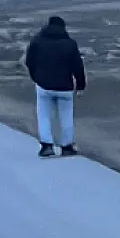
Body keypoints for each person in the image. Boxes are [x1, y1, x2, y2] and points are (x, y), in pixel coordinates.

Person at [24, 16, 86, 158]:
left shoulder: (37, 41)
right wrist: (80, 85)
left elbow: (29, 61)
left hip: (44, 85)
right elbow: (78, 66)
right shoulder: (70, 43)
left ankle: (47, 146)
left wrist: (36, 77)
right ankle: (67, 146)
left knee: (44, 115)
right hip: (65, 86)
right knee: (66, 116)